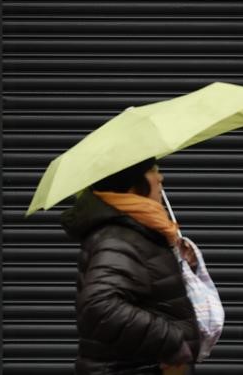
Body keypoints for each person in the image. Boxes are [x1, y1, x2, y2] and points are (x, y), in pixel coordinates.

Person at [60, 158, 200, 375]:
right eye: (153, 170)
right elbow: (100, 305)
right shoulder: (118, 238)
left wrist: (181, 264)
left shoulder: (136, 230)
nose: (160, 177)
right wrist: (171, 342)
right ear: (132, 182)